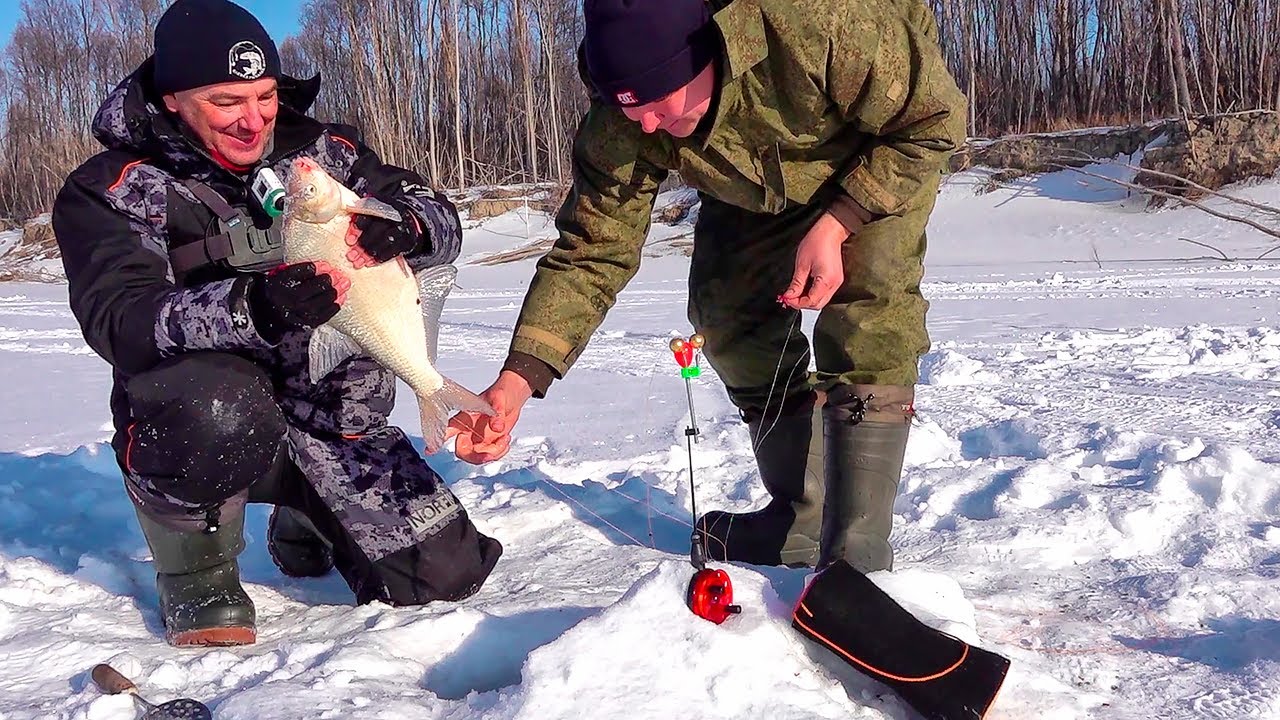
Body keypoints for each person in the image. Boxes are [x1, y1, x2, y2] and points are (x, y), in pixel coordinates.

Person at [450, 0, 967, 576]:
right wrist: (519, 379)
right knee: (727, 315)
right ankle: (801, 516)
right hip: (751, 184)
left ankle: (856, 555)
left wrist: (841, 219)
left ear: (706, 55)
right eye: (631, 109)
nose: (646, 123)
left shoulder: (816, 24)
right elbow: (593, 249)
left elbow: (932, 121)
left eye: (656, 101)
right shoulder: (625, 119)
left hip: (881, 148)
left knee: (868, 310)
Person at [52, 0, 500, 647]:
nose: (255, 118)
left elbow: (442, 219)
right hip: (213, 420)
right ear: (175, 98)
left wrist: (410, 226)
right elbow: (120, 320)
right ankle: (197, 569)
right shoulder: (115, 185)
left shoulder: (323, 155)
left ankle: (312, 510)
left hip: (332, 421)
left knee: (445, 576)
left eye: (265, 96)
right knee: (215, 408)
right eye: (228, 100)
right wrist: (251, 309)